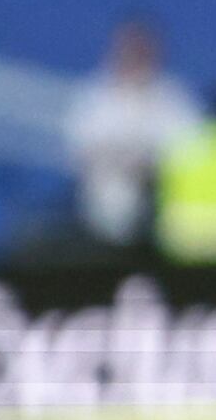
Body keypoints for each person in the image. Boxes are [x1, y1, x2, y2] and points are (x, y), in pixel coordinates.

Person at [62, 20, 205, 250]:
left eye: (143, 50)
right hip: (101, 210)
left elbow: (195, 154)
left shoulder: (175, 98)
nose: (136, 57)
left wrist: (150, 167)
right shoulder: (94, 98)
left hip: (162, 214)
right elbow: (78, 153)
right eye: (130, 49)